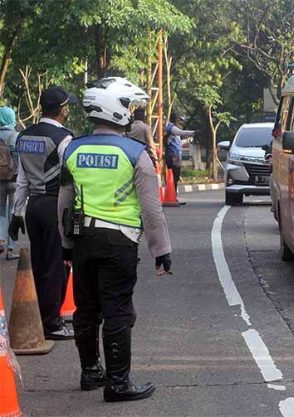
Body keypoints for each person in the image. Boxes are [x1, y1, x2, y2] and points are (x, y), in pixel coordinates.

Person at [58, 77, 172, 401]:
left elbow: (64, 203)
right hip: (119, 240)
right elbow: (151, 210)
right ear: (118, 109)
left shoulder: (73, 149)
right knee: (117, 309)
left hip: (82, 239)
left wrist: (66, 243)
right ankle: (118, 384)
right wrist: (161, 250)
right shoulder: (136, 154)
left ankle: (90, 371)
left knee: (86, 308)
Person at [8, 86, 77, 340]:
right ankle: (52, 323)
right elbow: (71, 179)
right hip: (55, 206)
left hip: (33, 207)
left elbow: (23, 177)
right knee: (57, 264)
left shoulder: (24, 136)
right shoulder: (64, 139)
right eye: (67, 106)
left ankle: (42, 316)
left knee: (39, 264)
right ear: (62, 110)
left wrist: (17, 212)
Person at [0, 106, 20, 259]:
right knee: (13, 212)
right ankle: (11, 250)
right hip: (14, 180)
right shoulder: (17, 136)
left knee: (0, 212)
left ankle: (0, 240)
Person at [164, 113, 195, 197]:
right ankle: (172, 197)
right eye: (179, 120)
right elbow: (181, 132)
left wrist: (187, 141)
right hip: (174, 156)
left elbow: (177, 143)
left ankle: (173, 196)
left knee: (174, 177)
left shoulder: (171, 129)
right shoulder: (172, 128)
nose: (180, 123)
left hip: (173, 155)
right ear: (175, 120)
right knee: (174, 177)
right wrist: (193, 132)